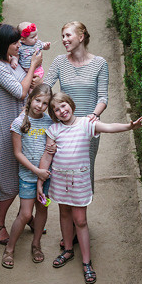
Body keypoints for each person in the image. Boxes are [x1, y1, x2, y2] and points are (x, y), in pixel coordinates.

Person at [38, 91, 142, 284]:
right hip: (60, 181)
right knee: (64, 214)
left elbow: (109, 126)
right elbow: (47, 156)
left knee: (80, 220)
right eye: (56, 109)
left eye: (64, 105)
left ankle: (87, 262)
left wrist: (130, 126)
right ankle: (68, 250)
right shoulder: (53, 130)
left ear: (70, 104)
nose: (62, 111)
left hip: (79, 181)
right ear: (53, 114)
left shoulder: (86, 124)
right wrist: (40, 181)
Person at [0, 23, 43, 245]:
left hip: (19, 128)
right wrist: (32, 69)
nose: (19, 45)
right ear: (3, 46)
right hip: (2, 131)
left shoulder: (12, 61)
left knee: (24, 175)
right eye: (15, 42)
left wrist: (34, 78)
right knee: (8, 181)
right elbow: (19, 91)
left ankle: (24, 216)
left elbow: (27, 88)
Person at [44, 21, 108, 192]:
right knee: (65, 172)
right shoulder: (59, 62)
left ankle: (80, 218)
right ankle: (69, 216)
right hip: (65, 128)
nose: (64, 39)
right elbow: (45, 88)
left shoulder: (100, 63)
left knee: (85, 173)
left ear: (81, 37)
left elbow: (102, 97)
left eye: (68, 35)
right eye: (62, 36)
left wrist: (94, 114)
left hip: (87, 127)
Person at [2, 84, 55, 269]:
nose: (40, 106)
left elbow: (51, 149)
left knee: (42, 209)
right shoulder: (18, 123)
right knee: (25, 214)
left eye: (45, 103)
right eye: (38, 100)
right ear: (31, 98)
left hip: (45, 177)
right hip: (28, 176)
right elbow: (18, 153)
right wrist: (36, 171)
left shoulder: (49, 122)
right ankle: (9, 249)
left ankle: (36, 244)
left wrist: (53, 150)